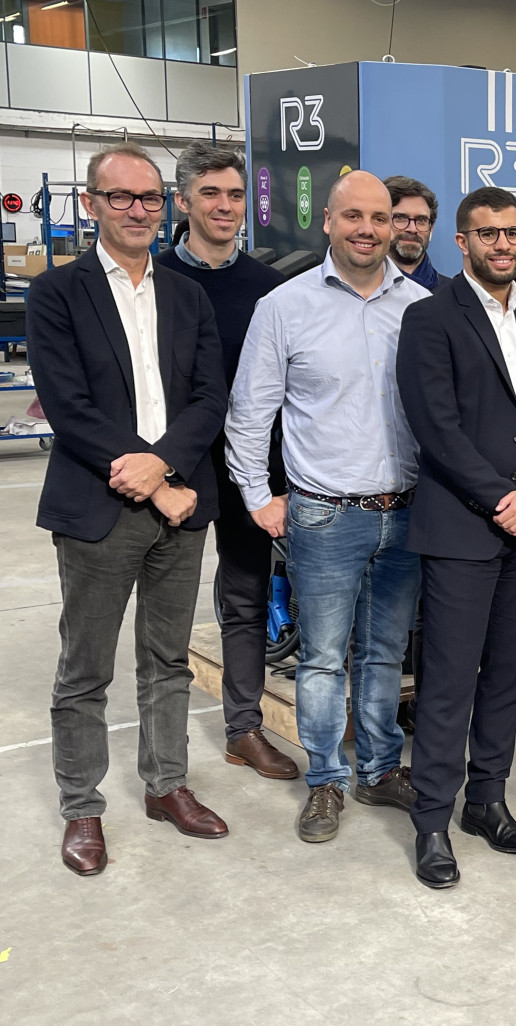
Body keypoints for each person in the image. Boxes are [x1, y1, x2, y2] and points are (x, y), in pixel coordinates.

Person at [29, 142, 229, 875]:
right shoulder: (57, 295)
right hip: (98, 510)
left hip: (178, 510)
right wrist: (152, 478)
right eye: (121, 197)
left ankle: (166, 785)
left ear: (166, 204)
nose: (138, 209)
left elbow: (210, 396)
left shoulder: (187, 295)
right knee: (85, 670)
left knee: (166, 660)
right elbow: (70, 408)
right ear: (92, 205)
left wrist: (167, 466)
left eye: (149, 197)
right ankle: (82, 805)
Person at [226, 170, 428, 843]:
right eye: (354, 217)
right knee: (320, 660)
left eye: (381, 217)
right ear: (328, 223)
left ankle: (375, 770)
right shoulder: (284, 307)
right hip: (322, 515)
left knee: (383, 653)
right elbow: (250, 413)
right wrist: (258, 497)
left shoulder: (420, 308)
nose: (369, 229)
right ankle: (325, 781)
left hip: (404, 513)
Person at [396, 186, 516, 888]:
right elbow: (435, 428)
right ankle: (432, 823)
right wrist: (506, 500)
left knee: (509, 677)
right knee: (447, 684)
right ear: (462, 243)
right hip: (465, 529)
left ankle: (488, 802)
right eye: (487, 234)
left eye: (512, 233)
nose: (502, 244)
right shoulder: (429, 320)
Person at [157, 141, 293, 780]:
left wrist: (274, 478)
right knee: (167, 606)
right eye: (210, 193)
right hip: (172, 470)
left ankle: (244, 729)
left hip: (248, 469)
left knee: (245, 596)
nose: (224, 206)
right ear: (183, 201)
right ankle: (163, 758)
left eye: (235, 194)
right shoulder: (151, 281)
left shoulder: (268, 289)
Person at [385, 175, 448, 290]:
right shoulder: (362, 289)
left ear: (431, 228)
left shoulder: (453, 294)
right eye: (400, 218)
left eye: (421, 220)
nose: (412, 229)